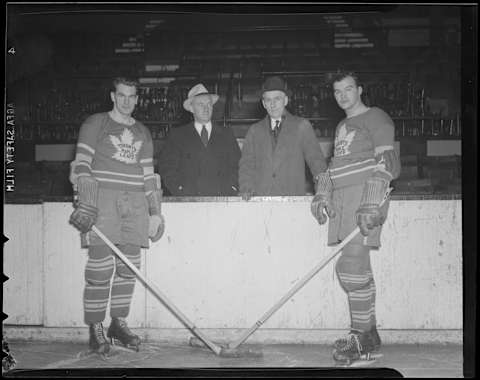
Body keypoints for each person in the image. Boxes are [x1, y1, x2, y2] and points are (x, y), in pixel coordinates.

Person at [68, 77, 166, 355]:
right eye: (121, 95)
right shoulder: (95, 123)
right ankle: (96, 328)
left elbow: (149, 176)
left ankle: (118, 324)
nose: (126, 101)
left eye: (132, 96)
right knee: (100, 268)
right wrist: (84, 200)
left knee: (129, 267)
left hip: (135, 203)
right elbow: (82, 165)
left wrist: (155, 212)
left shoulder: (143, 132)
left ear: (137, 99)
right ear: (112, 96)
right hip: (104, 200)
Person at [310, 71, 401, 364]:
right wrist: (323, 192)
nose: (343, 95)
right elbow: (335, 165)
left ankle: (360, 339)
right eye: (337, 91)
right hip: (343, 199)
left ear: (359, 89)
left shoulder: (376, 117)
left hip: (365, 197)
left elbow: (388, 162)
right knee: (359, 268)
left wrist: (371, 203)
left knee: (349, 266)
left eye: (348, 89)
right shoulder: (342, 125)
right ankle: (368, 336)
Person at [238, 76, 327, 197]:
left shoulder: (302, 126)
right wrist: (246, 188)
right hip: (260, 201)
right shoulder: (254, 131)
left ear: (285, 100)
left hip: (292, 200)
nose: (272, 104)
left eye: (277, 99)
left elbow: (317, 163)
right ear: (264, 103)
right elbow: (246, 165)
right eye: (268, 100)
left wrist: (322, 191)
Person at [157, 83, 241, 196]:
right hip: (190, 202)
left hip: (222, 200)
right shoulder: (177, 135)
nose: (206, 108)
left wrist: (232, 187)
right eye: (200, 104)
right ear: (191, 108)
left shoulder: (227, 134)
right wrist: (179, 189)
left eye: (209, 104)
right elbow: (167, 168)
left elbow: (238, 165)